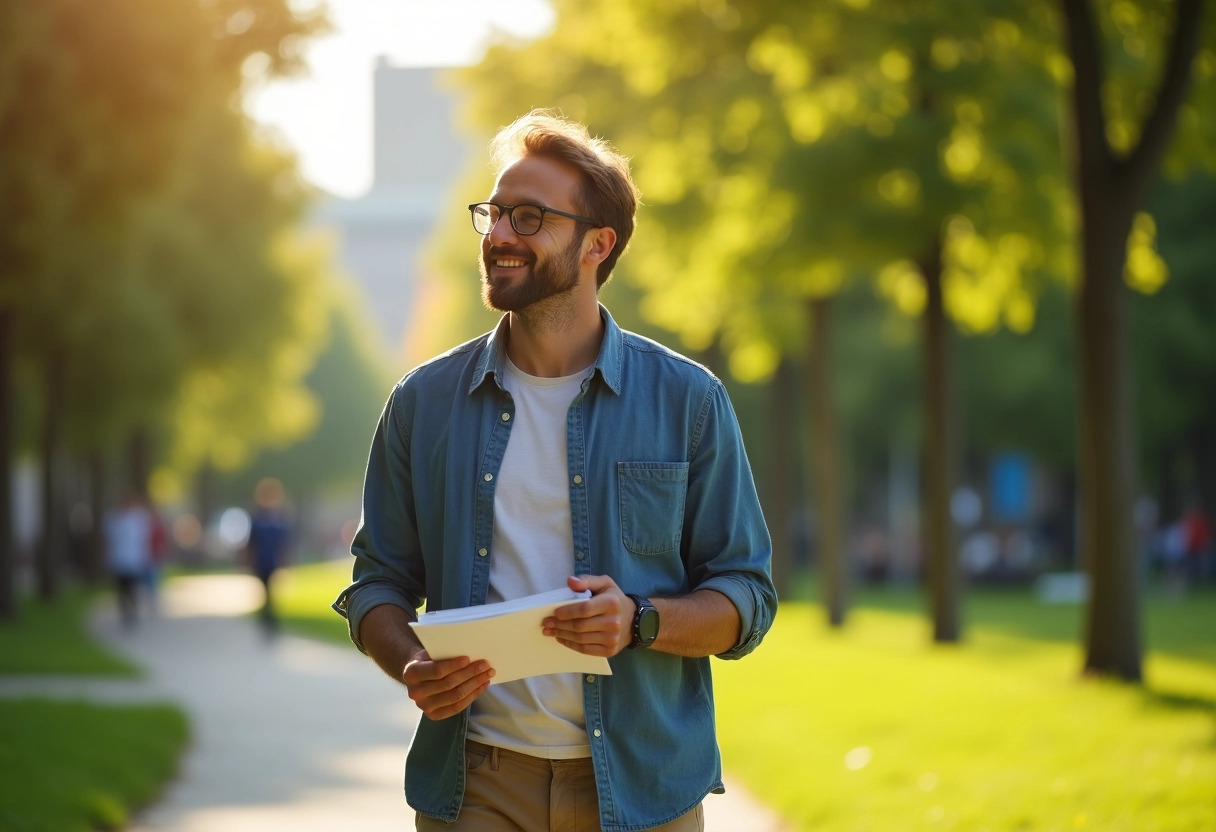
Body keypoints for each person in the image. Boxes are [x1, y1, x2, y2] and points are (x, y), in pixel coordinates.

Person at [333, 110, 777, 832]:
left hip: (643, 789)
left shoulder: (689, 401)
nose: (500, 235)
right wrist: (412, 664)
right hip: (475, 782)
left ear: (597, 243)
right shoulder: (423, 403)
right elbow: (376, 581)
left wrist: (640, 620)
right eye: (495, 214)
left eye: (530, 217)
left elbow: (745, 597)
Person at [245, 477, 292, 633]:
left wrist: (284, 559)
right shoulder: (258, 517)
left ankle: (268, 617)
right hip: (261, 560)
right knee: (265, 589)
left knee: (270, 589)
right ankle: (268, 617)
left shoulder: (279, 517)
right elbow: (252, 541)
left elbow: (284, 541)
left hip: (273, 560)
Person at [104, 491, 154, 628]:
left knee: (132, 587)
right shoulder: (114, 518)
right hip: (120, 560)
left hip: (134, 560)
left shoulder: (139, 518)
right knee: (122, 588)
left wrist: (145, 557)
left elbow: (143, 539)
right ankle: (125, 612)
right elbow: (110, 539)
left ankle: (132, 611)